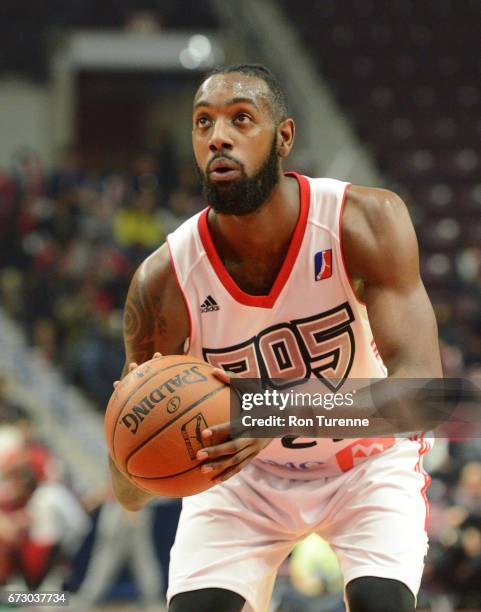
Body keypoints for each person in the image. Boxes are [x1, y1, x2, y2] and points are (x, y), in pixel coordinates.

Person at [108, 64, 442, 612]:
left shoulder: (363, 220)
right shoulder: (162, 282)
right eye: (202, 123)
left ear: (283, 137)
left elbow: (425, 395)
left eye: (241, 118)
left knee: (381, 601)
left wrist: (273, 413)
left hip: (363, 464)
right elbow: (129, 489)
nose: (218, 135)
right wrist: (134, 449)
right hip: (241, 479)